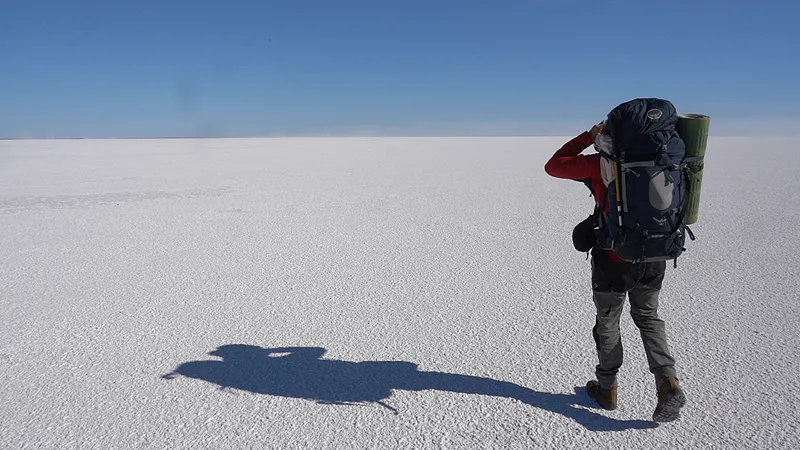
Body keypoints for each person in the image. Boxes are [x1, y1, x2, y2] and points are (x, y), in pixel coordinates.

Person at [544, 122, 687, 423]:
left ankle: (607, 389)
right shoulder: (666, 161)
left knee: (608, 323)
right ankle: (668, 383)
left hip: (613, 260)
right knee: (648, 318)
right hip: (653, 256)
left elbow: (554, 166)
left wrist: (588, 136)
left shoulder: (601, 164)